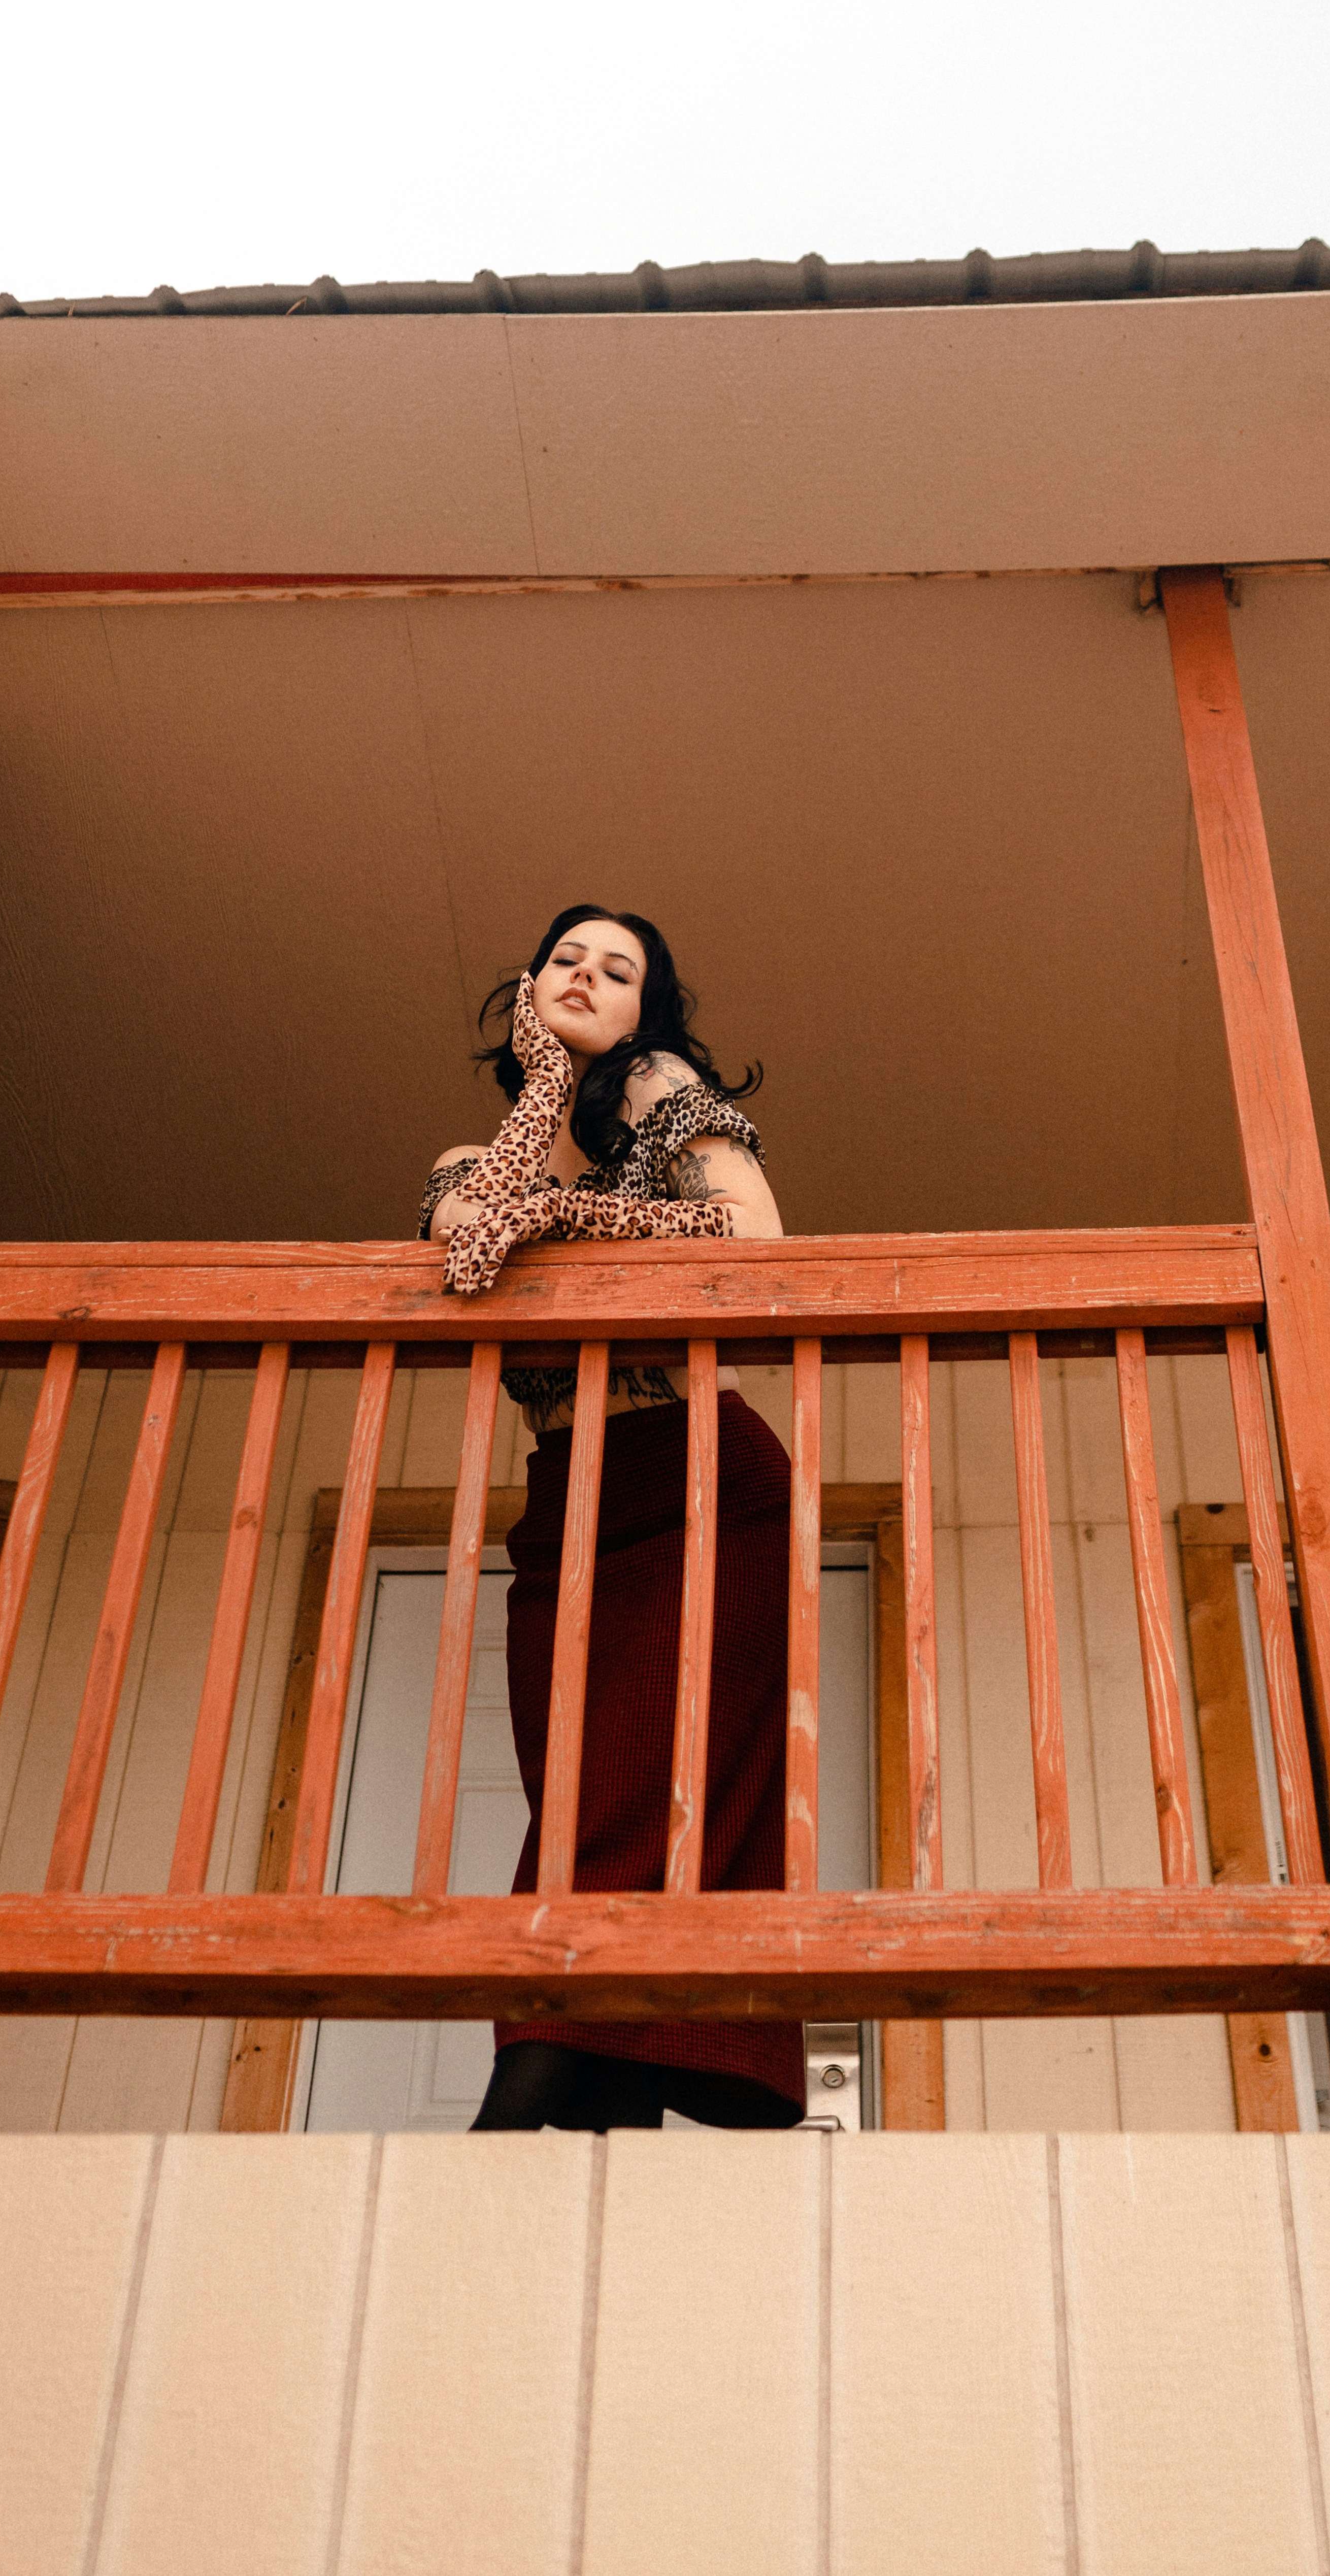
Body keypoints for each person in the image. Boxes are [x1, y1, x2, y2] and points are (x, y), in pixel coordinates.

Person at [419, 905, 805, 2132]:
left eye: (618, 970)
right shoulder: (459, 1165)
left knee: (636, 1809)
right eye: (564, 962)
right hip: (568, 1508)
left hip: (703, 1485)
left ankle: (532, 2087)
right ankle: (618, 2100)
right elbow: (470, 1242)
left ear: (651, 1015)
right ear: (524, 989)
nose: (586, 976)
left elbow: (750, 1239)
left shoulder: (662, 1093)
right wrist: (542, 1094)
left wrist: (566, 1204)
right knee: (579, 1797)